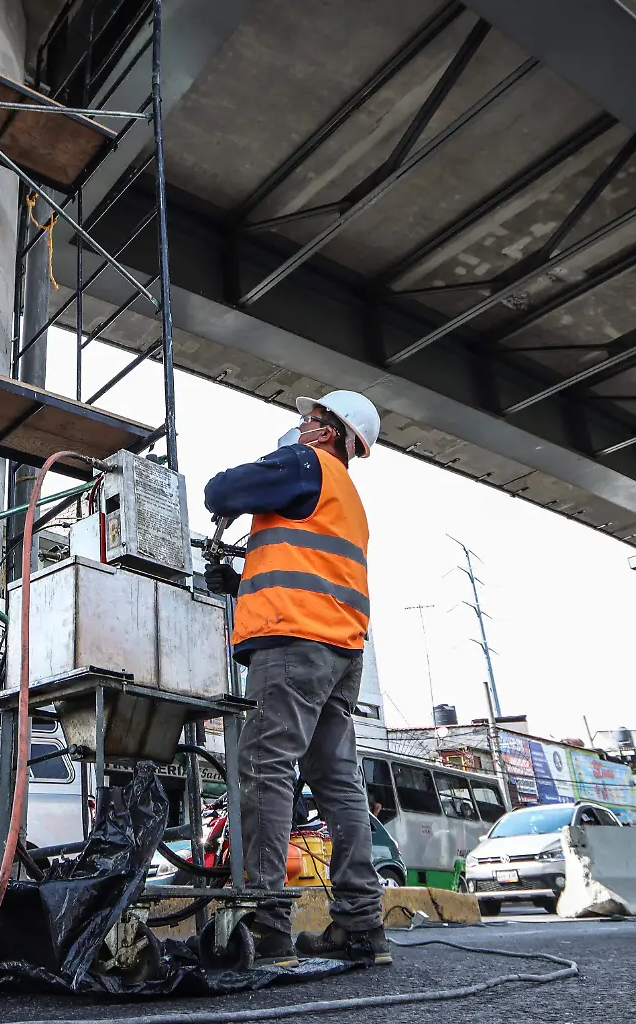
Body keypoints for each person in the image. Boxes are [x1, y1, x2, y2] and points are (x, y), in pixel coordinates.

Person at [203, 389, 387, 967]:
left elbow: (220, 489)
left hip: (292, 647)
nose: (300, 426)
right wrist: (238, 586)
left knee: (265, 769)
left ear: (329, 432)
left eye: (308, 420)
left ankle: (266, 926)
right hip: (340, 652)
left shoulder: (306, 464)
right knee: (338, 784)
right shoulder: (348, 498)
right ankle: (361, 927)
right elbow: (310, 569)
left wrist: (249, 491)